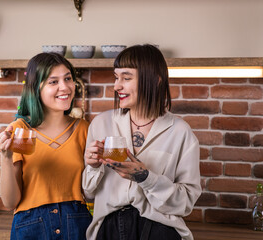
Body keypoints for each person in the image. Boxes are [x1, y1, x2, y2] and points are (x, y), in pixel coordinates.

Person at [82, 44, 201, 240]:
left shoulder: (180, 132)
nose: (116, 86)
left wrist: (146, 177)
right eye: (116, 77)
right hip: (108, 229)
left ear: (155, 80)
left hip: (159, 229)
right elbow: (88, 194)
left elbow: (185, 203)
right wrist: (93, 167)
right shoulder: (101, 124)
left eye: (126, 78)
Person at [0, 52, 92, 240]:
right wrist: (6, 157)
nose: (64, 87)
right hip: (30, 227)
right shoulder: (20, 130)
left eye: (68, 79)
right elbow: (10, 202)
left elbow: (91, 193)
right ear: (35, 88)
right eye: (53, 82)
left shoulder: (83, 129)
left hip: (76, 224)